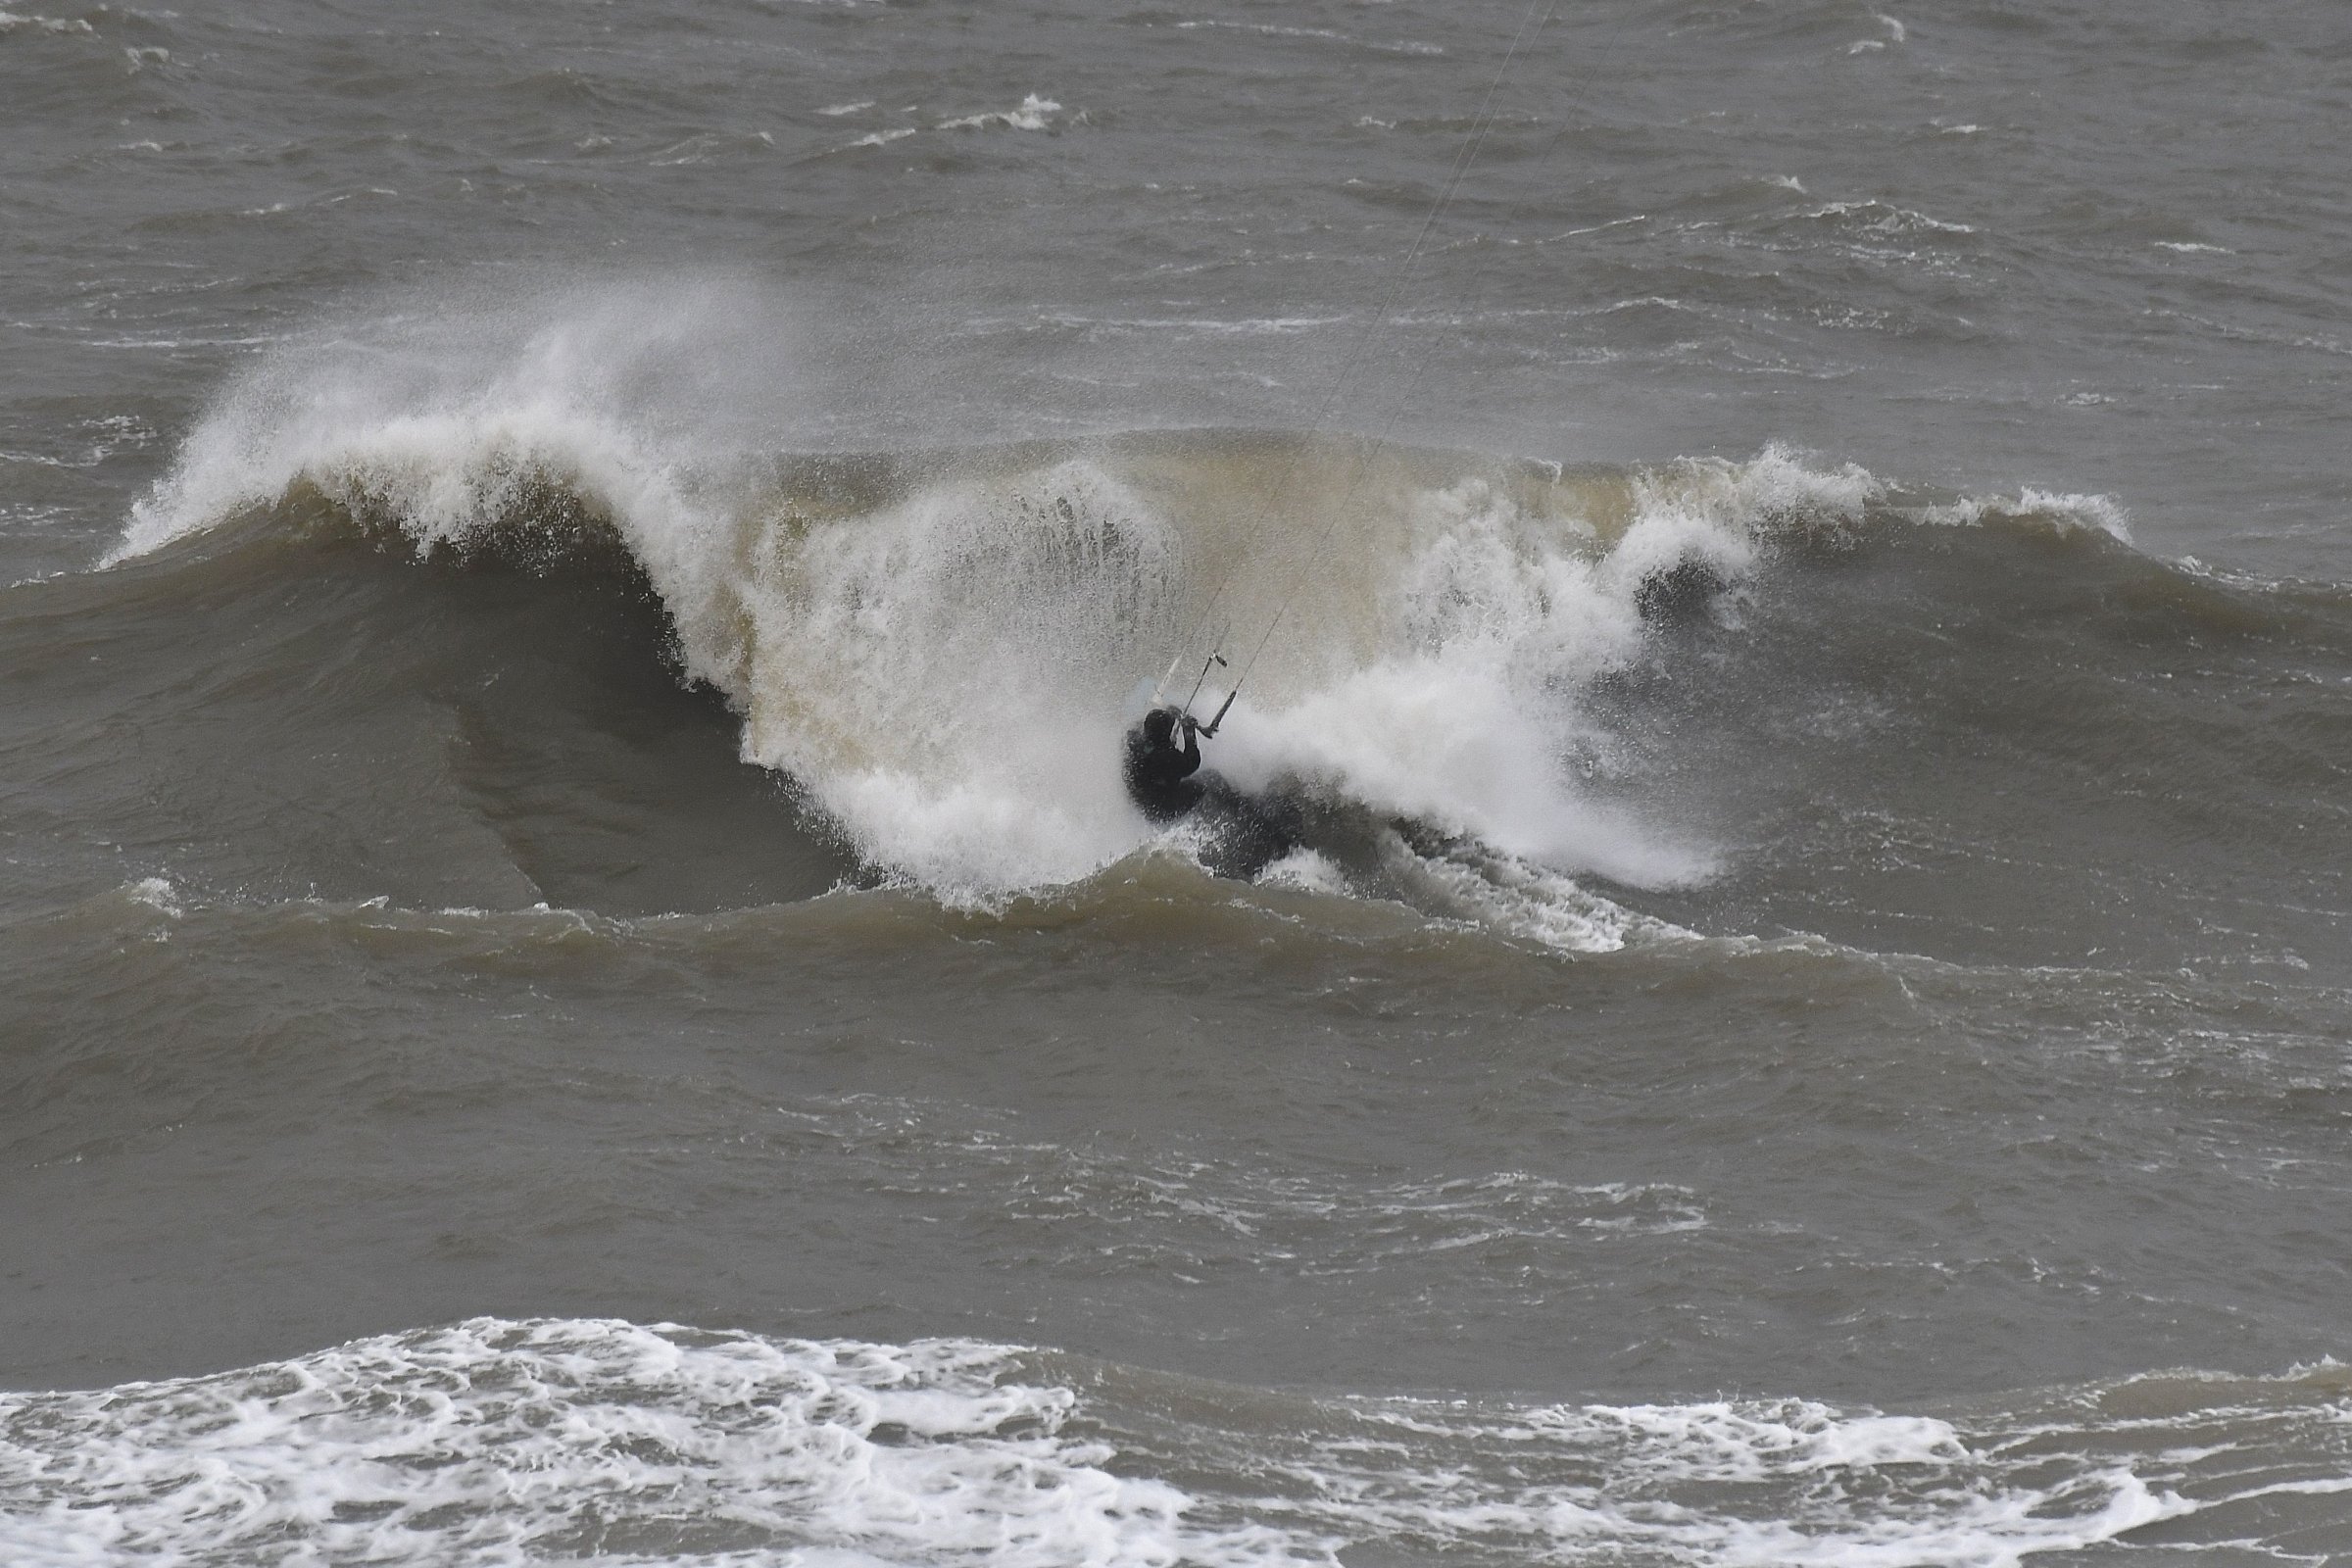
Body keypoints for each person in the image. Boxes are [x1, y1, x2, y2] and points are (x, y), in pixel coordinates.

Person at [1123, 706, 1204, 822]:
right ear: (1165, 733)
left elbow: (1149, 740)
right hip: (1162, 810)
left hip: (1141, 802)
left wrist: (1170, 713)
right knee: (1210, 781)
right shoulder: (1166, 756)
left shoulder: (1133, 742)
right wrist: (1188, 732)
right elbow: (1191, 763)